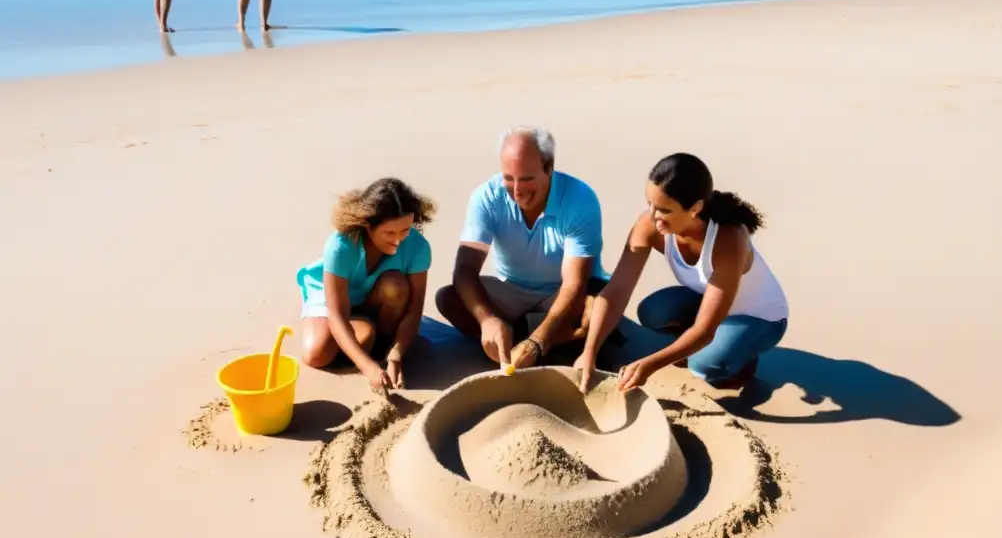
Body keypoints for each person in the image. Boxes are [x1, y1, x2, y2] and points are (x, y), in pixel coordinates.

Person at [574, 153, 789, 393]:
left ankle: (739, 360)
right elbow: (616, 291)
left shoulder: (729, 239)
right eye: (650, 204)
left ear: (695, 208)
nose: (653, 216)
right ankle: (705, 344)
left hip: (761, 318)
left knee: (704, 365)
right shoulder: (651, 224)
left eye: (664, 210)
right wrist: (589, 352)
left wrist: (649, 365)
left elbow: (705, 331)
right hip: (711, 299)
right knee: (653, 312)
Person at [435, 126, 608, 371]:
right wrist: (488, 320)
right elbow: (465, 269)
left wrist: (538, 341)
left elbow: (573, 284)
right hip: (511, 291)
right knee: (449, 298)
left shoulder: (580, 199)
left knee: (595, 313)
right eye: (508, 178)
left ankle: (534, 341)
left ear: (549, 168)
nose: (517, 191)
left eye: (526, 179)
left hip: (562, 293)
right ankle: (526, 342)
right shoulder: (486, 197)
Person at [296, 178, 435, 397]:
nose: (398, 240)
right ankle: (366, 333)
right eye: (389, 233)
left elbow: (414, 309)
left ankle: (381, 343)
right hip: (337, 298)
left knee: (396, 286)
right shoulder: (341, 245)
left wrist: (397, 354)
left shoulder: (418, 247)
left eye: (405, 230)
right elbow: (336, 313)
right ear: (368, 226)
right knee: (316, 355)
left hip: (379, 295)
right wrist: (368, 368)